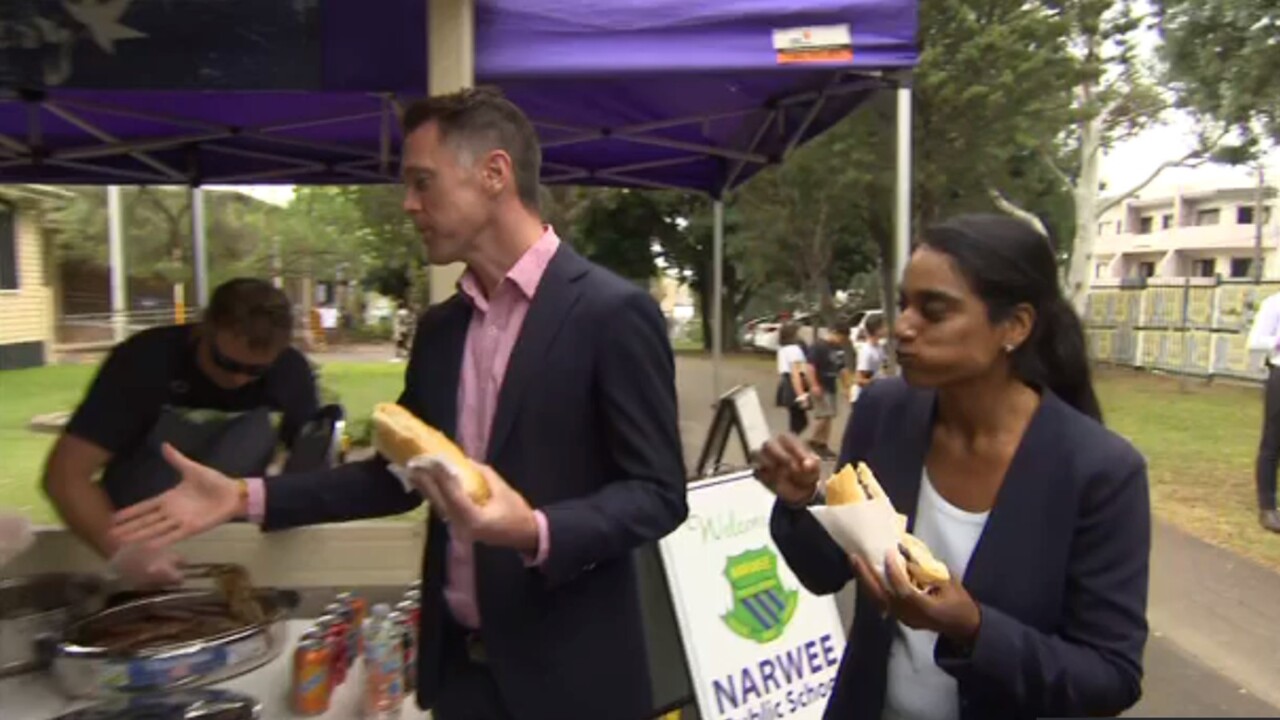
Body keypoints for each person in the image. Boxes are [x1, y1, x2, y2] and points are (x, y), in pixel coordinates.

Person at [108, 87, 688, 720]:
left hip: (577, 686)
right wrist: (244, 497)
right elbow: (395, 479)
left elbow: (657, 493)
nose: (409, 204)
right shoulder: (441, 331)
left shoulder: (611, 313)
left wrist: (533, 530)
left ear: (494, 174)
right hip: (461, 680)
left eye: (422, 182)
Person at [754, 214, 1151, 720]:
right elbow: (826, 570)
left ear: (1015, 326)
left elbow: (1109, 678)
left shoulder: (1100, 473)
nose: (903, 326)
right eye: (903, 305)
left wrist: (974, 628)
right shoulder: (884, 413)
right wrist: (798, 502)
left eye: (933, 311)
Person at [42, 278, 320, 586]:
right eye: (226, 363)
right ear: (204, 328)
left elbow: (308, 478)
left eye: (256, 372)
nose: (240, 379)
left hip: (236, 545)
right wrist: (125, 554)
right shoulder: (144, 362)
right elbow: (66, 476)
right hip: (141, 539)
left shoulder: (291, 373)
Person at [1245, 290, 1280, 532]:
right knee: (1273, 442)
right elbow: (1255, 340)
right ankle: (1267, 508)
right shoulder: (1274, 303)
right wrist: (1277, 341)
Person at [806, 324, 848, 459]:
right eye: (840, 337)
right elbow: (810, 367)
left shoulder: (838, 348)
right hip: (820, 384)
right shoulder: (818, 346)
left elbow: (842, 368)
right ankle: (813, 441)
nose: (841, 341)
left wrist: (847, 387)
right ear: (834, 332)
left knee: (830, 416)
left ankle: (822, 444)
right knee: (824, 416)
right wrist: (813, 385)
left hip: (831, 385)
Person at [775, 321, 819, 436]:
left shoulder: (783, 348)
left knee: (797, 421)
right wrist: (801, 396)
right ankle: (788, 445)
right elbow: (796, 374)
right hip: (793, 385)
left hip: (786, 383)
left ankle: (790, 443)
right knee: (800, 423)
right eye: (798, 332)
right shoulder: (795, 350)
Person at [850, 313, 888, 404]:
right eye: (884, 326)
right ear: (876, 329)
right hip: (863, 398)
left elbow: (882, 368)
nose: (887, 329)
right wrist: (879, 384)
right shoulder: (867, 351)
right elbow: (860, 380)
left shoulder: (879, 347)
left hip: (875, 395)